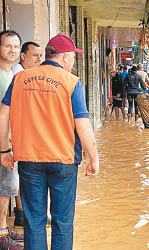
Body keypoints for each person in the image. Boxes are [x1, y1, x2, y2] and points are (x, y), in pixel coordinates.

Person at [0, 34, 99, 250]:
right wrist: (94, 158)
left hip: (29, 160)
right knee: (62, 221)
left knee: (34, 221)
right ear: (64, 57)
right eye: (73, 57)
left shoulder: (20, 78)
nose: (73, 61)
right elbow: (82, 124)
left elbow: (3, 115)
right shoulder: (71, 82)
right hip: (63, 161)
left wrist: (4, 150)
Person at [10, 41, 43, 230]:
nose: (39, 59)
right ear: (23, 56)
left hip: (25, 132)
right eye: (35, 55)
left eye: (41, 55)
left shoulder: (27, 74)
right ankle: (21, 215)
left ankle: (22, 216)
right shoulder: (18, 74)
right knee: (17, 175)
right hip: (16, 133)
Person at [0, 30, 24, 250]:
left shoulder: (10, 74)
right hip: (2, 144)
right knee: (5, 187)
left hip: (9, 140)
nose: (13, 51)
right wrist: (3, 148)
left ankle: (4, 230)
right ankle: (1, 234)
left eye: (16, 47)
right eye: (8, 46)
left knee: (8, 186)